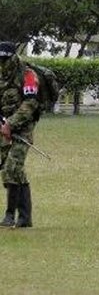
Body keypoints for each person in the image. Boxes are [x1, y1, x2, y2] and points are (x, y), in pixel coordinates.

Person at [0, 42, 40, 228]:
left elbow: (30, 104)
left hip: (23, 129)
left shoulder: (28, 74)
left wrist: (11, 124)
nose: (2, 63)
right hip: (4, 128)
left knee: (12, 168)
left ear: (13, 57)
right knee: (14, 170)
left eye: (5, 59)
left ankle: (9, 215)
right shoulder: (1, 75)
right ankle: (25, 217)